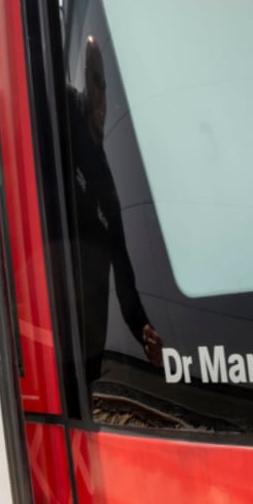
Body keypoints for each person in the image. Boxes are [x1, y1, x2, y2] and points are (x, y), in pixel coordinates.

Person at [66, 36, 162, 383]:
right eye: (94, 80)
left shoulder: (106, 188)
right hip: (48, 339)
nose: (100, 97)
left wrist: (142, 328)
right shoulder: (64, 116)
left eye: (104, 86)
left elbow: (124, 274)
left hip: (87, 355)